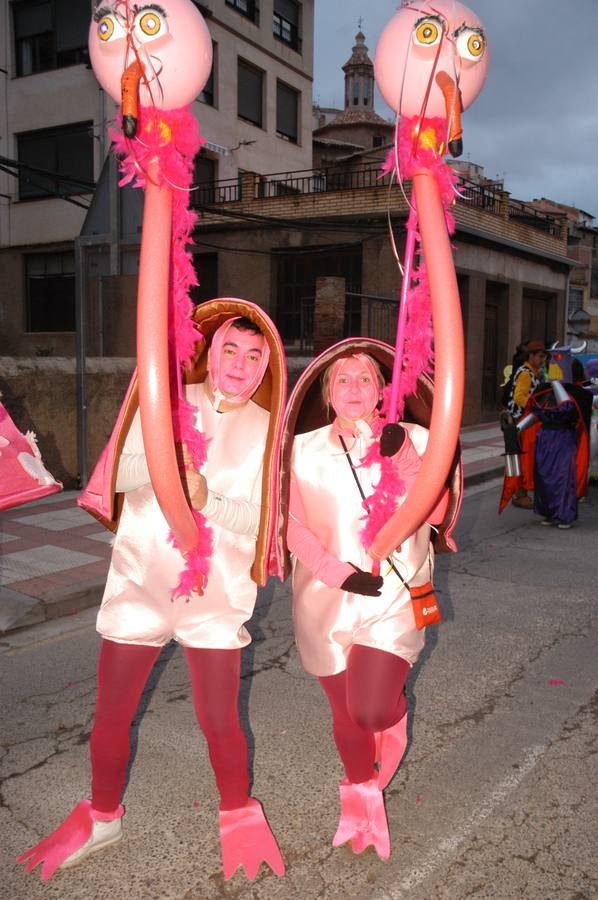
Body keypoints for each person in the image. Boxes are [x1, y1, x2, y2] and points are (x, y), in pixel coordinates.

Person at [17, 308, 286, 882]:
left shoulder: (269, 429)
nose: (239, 364)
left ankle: (238, 812)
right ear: (209, 351)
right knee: (111, 714)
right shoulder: (166, 398)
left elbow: (261, 521)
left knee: (221, 720)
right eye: (230, 349)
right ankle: (103, 816)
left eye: (253, 355)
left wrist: (205, 497)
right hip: (141, 584)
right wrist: (165, 466)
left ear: (267, 366)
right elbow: (113, 472)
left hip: (214, 599)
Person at [282, 346, 456, 860]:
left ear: (383, 390)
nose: (354, 388)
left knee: (371, 708)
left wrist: (404, 459)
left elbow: (440, 511)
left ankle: (393, 717)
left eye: (365, 378)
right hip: (324, 596)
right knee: (345, 713)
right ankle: (361, 796)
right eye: (343, 379)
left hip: (394, 597)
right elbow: (287, 523)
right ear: (326, 391)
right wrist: (337, 572)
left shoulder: (415, 438)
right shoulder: (301, 449)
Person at [504, 340, 548, 508]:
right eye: (540, 357)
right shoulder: (525, 373)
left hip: (523, 421)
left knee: (521, 458)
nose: (542, 360)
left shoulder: (534, 372)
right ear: (531, 356)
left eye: (544, 357)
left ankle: (520, 492)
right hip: (519, 422)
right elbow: (519, 397)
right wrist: (533, 407)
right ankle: (519, 494)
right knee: (519, 459)